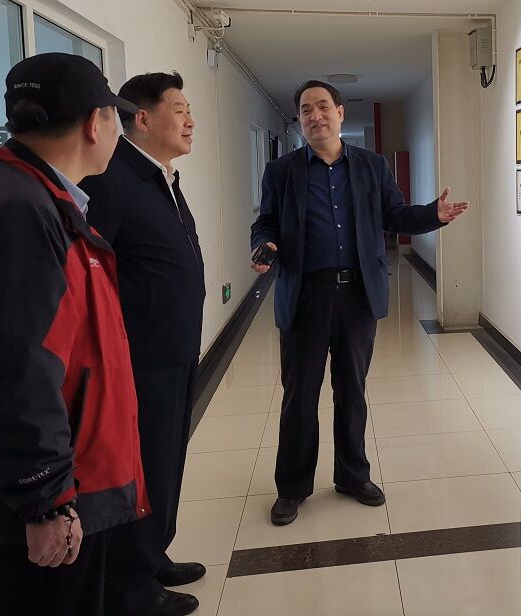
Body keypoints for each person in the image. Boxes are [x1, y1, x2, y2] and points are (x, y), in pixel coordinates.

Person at [0, 53, 149, 615]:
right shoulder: (20, 212)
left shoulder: (35, 197)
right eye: (115, 118)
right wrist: (44, 501)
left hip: (56, 484)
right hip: (41, 500)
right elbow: (14, 369)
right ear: (94, 123)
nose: (116, 132)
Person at [251, 79, 469, 526]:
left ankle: (353, 476)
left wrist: (432, 215)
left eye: (323, 107)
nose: (315, 116)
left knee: (352, 391)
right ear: (300, 120)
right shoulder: (282, 171)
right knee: (299, 396)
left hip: (357, 297)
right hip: (304, 295)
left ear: (340, 113)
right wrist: (264, 245)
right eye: (306, 110)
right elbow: (266, 221)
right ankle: (292, 488)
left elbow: (394, 214)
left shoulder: (371, 166)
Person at [80, 72, 205, 616]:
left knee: (166, 460)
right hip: (140, 357)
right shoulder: (114, 180)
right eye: (179, 109)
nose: (190, 120)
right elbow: (92, 273)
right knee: (143, 467)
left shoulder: (162, 177)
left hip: (175, 348)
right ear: (143, 118)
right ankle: (131, 588)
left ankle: (153, 556)